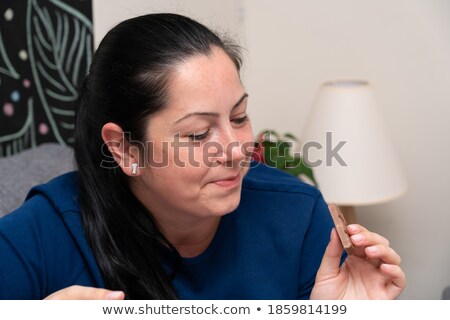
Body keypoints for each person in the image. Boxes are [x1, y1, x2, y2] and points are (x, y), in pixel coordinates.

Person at [0, 13, 405, 300]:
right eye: (197, 133)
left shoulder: (297, 217)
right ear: (124, 148)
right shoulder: (37, 238)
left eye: (239, 116)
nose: (235, 149)